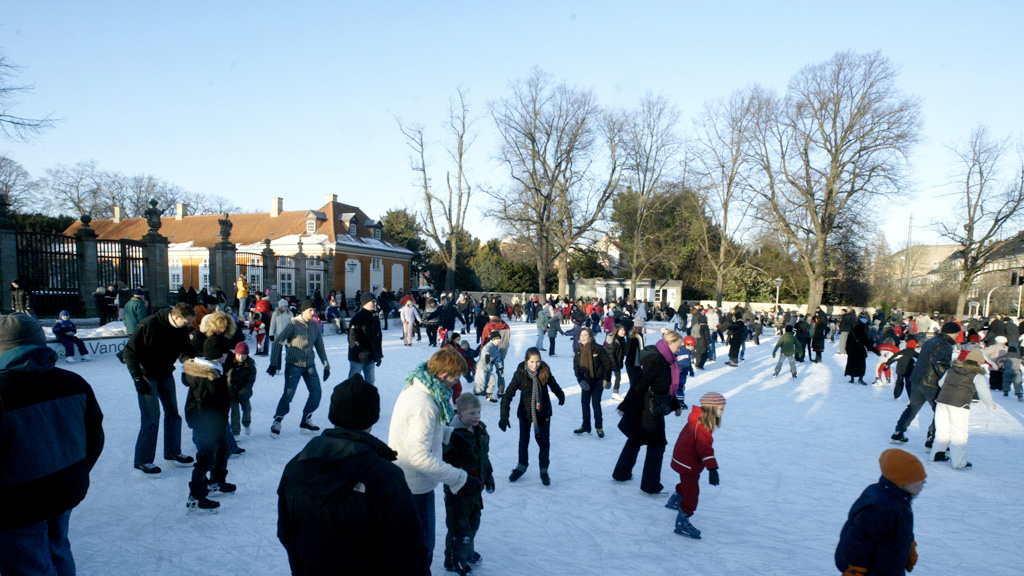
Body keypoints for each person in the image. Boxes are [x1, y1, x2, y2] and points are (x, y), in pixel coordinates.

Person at [278, 375, 430, 575]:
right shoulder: (384, 475)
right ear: (372, 417)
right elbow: (409, 550)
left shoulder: (296, 466)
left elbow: (287, 534)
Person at [0, 313, 104, 575]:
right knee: (58, 549)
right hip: (65, 488)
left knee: (29, 564)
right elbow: (94, 438)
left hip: (18, 503)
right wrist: (75, 472)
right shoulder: (73, 382)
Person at [389, 347, 473, 568]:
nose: (456, 384)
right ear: (444, 376)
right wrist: (459, 477)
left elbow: (420, 431)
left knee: (414, 546)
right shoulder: (424, 404)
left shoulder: (418, 387)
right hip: (415, 487)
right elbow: (419, 457)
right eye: (455, 379)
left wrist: (449, 435)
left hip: (407, 481)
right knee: (422, 548)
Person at [123, 302, 197, 475]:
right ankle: (144, 460)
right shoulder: (148, 325)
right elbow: (129, 353)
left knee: (173, 413)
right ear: (176, 317)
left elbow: (185, 350)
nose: (187, 325)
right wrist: (137, 379)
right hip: (146, 375)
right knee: (151, 416)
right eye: (186, 322)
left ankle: (173, 451)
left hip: (165, 373)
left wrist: (197, 360)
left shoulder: (179, 328)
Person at [612, 330, 684, 495]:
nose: (679, 350)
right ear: (669, 343)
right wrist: (626, 405)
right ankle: (650, 485)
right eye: (678, 346)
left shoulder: (666, 360)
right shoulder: (656, 360)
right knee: (657, 445)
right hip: (649, 411)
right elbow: (641, 384)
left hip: (649, 407)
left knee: (636, 439)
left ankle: (621, 473)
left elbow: (663, 387)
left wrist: (675, 403)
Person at [835, 449, 925, 576]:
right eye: (919, 481)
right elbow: (858, 538)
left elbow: (901, 527)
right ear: (902, 482)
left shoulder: (899, 498)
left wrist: (909, 545)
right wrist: (855, 569)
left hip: (888, 565)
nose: (923, 484)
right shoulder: (880, 507)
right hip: (873, 570)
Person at [442, 394, 495, 575]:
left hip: (475, 488)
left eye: (478, 412)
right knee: (459, 526)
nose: (477, 416)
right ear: (460, 413)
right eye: (472, 413)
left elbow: (483, 457)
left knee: (474, 521)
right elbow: (446, 461)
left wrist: (488, 476)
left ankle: (467, 552)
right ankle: (454, 559)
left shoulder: (480, 430)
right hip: (458, 490)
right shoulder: (453, 434)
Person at [182, 336, 235, 513]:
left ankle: (216, 481)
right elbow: (202, 405)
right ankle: (196, 496)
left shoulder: (214, 369)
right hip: (206, 425)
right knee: (205, 459)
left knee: (224, 451)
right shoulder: (206, 378)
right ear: (219, 354)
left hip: (217, 422)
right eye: (225, 352)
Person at [499, 347, 566, 486]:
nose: (535, 365)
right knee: (523, 441)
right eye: (532, 362)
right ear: (526, 361)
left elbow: (554, 385)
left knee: (544, 443)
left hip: (543, 413)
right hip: (525, 413)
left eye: (538, 361)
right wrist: (504, 416)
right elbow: (507, 395)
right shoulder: (520, 374)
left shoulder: (544, 371)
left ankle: (544, 471)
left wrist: (561, 395)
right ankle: (521, 467)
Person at [666, 392, 726, 540]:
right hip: (688, 462)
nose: (722, 411)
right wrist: (713, 469)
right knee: (692, 493)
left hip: (685, 459)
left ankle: (675, 500)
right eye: (720, 408)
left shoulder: (698, 418)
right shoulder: (702, 424)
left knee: (688, 484)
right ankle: (682, 523)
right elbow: (705, 448)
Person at [891, 321, 959, 447]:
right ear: (953, 333)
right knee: (940, 411)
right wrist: (948, 380)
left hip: (917, 379)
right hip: (931, 383)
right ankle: (932, 438)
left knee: (912, 407)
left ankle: (898, 432)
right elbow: (940, 364)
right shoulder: (945, 345)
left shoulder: (930, 341)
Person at [268, 300, 330, 437]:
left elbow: (320, 346)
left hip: (309, 365)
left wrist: (326, 365)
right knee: (288, 395)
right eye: (310, 310)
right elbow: (277, 342)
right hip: (294, 365)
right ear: (303, 311)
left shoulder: (314, 326)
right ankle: (277, 420)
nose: (313, 313)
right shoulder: (293, 324)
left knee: (316, 393)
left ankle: (306, 420)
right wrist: (273, 363)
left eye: (314, 310)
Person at [930, 349, 998, 469]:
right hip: (959, 404)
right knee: (958, 433)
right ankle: (959, 463)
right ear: (979, 362)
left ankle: (936, 455)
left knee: (942, 430)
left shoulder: (952, 369)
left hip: (942, 402)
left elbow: (941, 383)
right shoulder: (976, 374)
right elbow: (983, 392)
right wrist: (990, 404)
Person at [573, 328, 611, 437]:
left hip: (598, 381)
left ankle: (599, 427)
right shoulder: (578, 350)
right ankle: (586, 425)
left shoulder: (598, 348)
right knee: (584, 404)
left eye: (585, 335)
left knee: (595, 403)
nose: (583, 337)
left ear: (590, 337)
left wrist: (607, 379)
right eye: (581, 335)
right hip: (586, 381)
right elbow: (576, 367)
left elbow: (607, 364)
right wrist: (580, 380)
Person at [348, 292, 383, 383]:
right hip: (358, 357)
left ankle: (368, 397)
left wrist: (378, 354)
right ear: (365, 303)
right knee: (354, 381)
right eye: (373, 301)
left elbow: (378, 337)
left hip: (371, 356)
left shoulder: (375, 317)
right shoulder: (357, 318)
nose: (375, 304)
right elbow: (352, 337)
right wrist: (359, 351)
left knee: (370, 381)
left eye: (375, 301)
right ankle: (352, 397)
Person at [227, 342, 257, 436]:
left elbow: (250, 381)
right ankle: (236, 432)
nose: (241, 357)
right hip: (231, 393)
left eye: (244, 355)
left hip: (244, 393)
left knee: (247, 409)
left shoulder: (250, 364)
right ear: (235, 353)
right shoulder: (230, 362)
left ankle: (246, 423)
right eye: (239, 355)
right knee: (235, 413)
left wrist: (243, 392)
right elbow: (227, 378)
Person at [845, 315, 879, 385]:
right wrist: (875, 350)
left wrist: (847, 350)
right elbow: (866, 343)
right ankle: (860, 378)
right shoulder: (863, 332)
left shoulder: (852, 331)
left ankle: (852, 378)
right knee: (861, 365)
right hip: (859, 350)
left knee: (851, 363)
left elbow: (848, 341)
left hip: (852, 350)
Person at [474, 331, 504, 402]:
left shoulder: (496, 348)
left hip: (489, 365)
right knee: (481, 381)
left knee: (492, 380)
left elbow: (498, 359)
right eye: (497, 339)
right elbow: (485, 350)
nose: (499, 340)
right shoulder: (489, 345)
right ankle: (476, 394)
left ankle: (489, 394)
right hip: (482, 365)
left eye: (499, 339)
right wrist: (486, 355)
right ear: (493, 339)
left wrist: (500, 368)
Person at [605, 324, 627, 400]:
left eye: (624, 330)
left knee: (617, 377)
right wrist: (614, 364)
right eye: (621, 330)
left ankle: (615, 393)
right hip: (611, 362)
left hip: (617, 362)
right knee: (608, 379)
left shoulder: (622, 340)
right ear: (617, 331)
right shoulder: (613, 341)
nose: (623, 332)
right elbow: (610, 354)